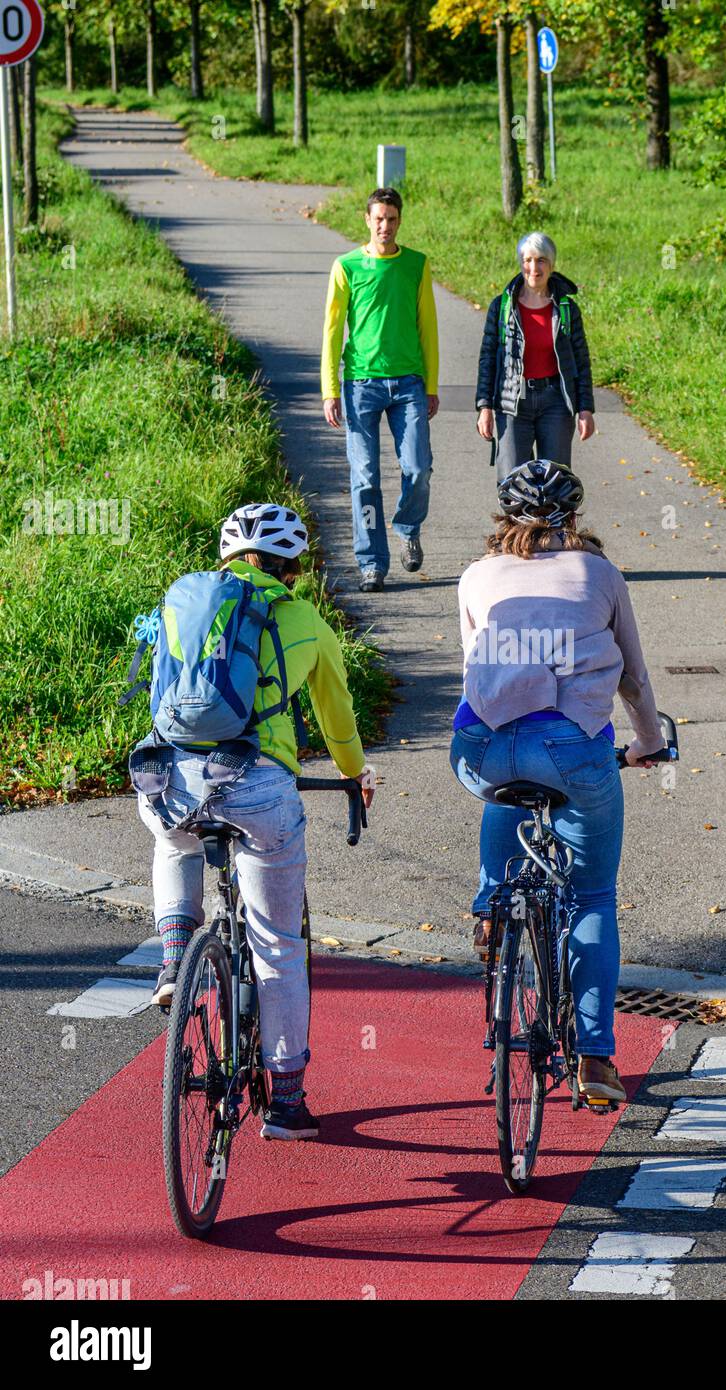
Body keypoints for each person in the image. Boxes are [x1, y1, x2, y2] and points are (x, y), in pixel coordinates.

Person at [135, 503, 375, 1141]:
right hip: (259, 785)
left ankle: (174, 958)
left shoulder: (186, 602)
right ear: (293, 567)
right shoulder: (305, 621)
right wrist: (354, 774)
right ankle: (288, 1103)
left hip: (172, 775)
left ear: (228, 557)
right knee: (277, 946)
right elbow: (338, 717)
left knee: (174, 840)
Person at [448, 460, 664, 1103]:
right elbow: (632, 674)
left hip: (478, 747)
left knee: (504, 788)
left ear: (503, 518)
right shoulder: (600, 573)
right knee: (592, 896)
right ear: (574, 517)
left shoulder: (477, 575)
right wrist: (649, 742)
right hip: (572, 748)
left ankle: (493, 903)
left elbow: (474, 665)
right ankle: (596, 1061)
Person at [321, 187, 439, 593]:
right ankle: (371, 561)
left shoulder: (416, 265)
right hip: (361, 384)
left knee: (418, 467)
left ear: (399, 220)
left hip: (408, 382)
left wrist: (432, 384)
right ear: (366, 220)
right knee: (366, 477)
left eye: (391, 219)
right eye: (378, 219)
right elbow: (332, 332)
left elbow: (429, 329)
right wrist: (329, 389)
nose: (384, 226)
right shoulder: (347, 267)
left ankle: (408, 526)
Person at [476, 232, 595, 482]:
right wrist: (484, 406)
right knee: (514, 483)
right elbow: (488, 357)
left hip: (555, 403)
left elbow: (581, 361)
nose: (533, 267)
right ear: (520, 263)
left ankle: (554, 523)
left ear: (551, 264)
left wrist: (585, 409)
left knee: (555, 484)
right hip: (512, 402)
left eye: (541, 260)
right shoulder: (502, 307)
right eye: (527, 260)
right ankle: (518, 524)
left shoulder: (566, 309)